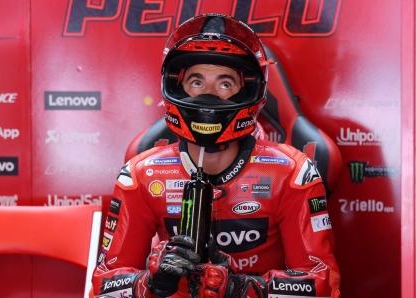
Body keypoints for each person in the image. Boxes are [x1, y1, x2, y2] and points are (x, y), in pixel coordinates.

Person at [91, 13, 341, 298]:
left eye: (225, 84)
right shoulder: (141, 175)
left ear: (247, 92)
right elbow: (103, 286)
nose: (208, 96)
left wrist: (243, 288)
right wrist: (147, 284)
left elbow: (323, 283)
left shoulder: (292, 173)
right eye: (196, 83)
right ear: (176, 88)